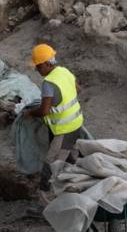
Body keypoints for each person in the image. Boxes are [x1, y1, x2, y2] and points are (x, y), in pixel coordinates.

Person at [22, 44, 84, 195]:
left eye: (38, 66)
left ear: (47, 63)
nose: (36, 69)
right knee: (70, 157)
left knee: (51, 165)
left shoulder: (48, 83)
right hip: (77, 123)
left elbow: (44, 110)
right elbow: (78, 89)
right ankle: (74, 187)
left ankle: (45, 198)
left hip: (64, 129)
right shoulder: (64, 71)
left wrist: (29, 113)